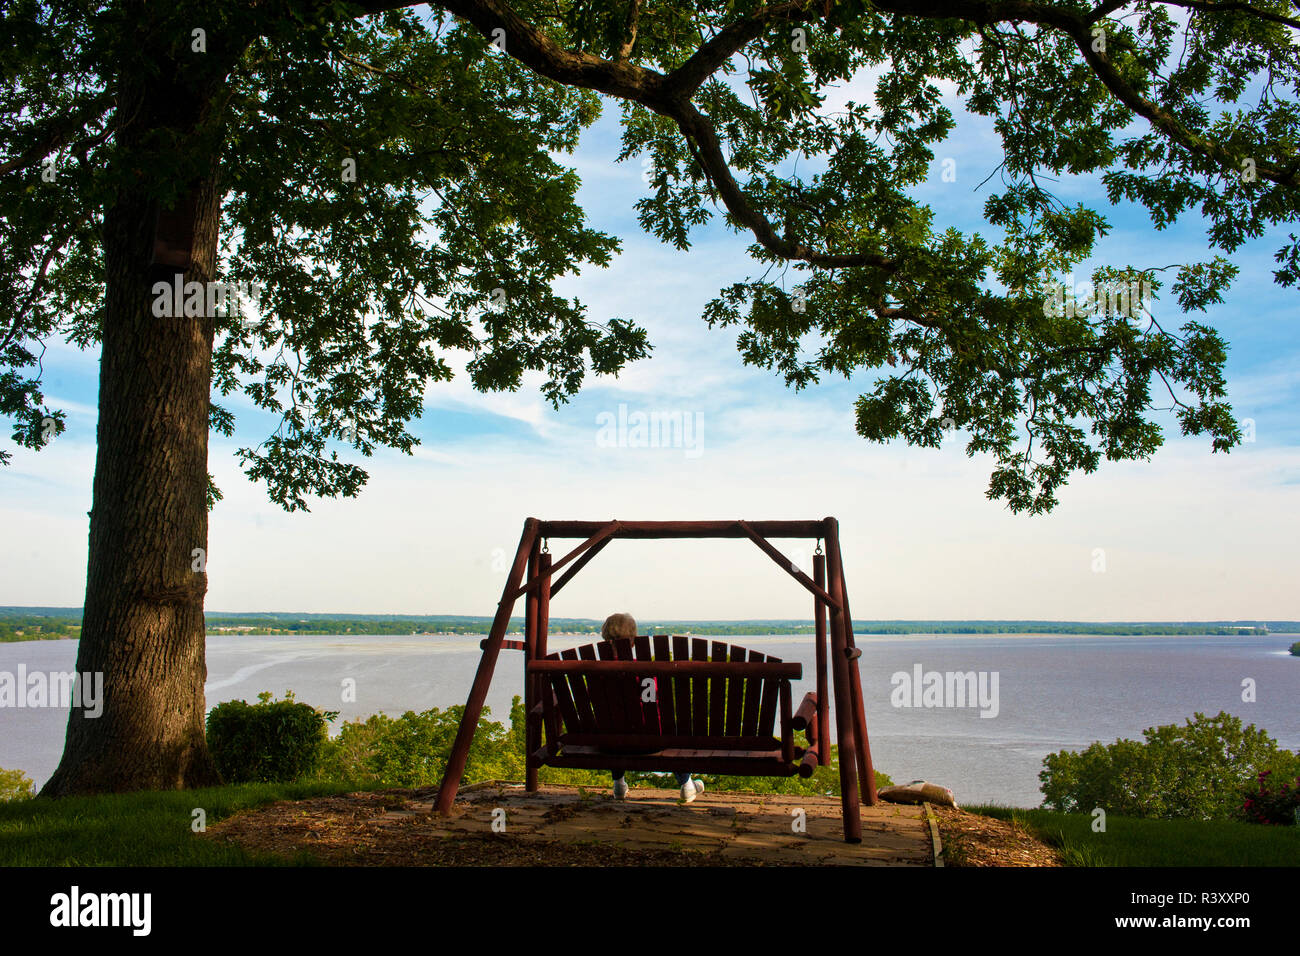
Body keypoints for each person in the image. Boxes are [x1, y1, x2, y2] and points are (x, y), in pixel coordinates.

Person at [599, 612, 705, 804]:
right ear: (633, 642)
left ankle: (619, 784)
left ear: (605, 638)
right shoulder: (644, 670)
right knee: (673, 729)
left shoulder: (596, 672)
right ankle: (687, 784)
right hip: (651, 741)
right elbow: (653, 700)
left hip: (611, 744)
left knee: (615, 725)